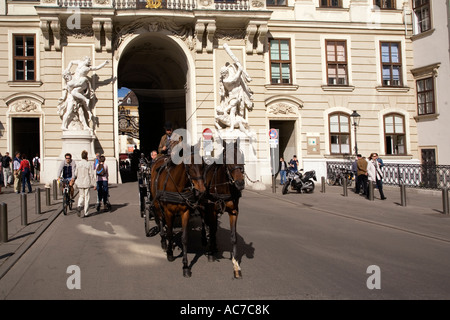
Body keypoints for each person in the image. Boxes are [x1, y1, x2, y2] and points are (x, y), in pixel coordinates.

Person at [73, 150, 95, 217]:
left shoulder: (78, 164)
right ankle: (86, 212)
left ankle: (79, 205)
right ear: (86, 157)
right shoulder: (88, 164)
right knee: (87, 197)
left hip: (80, 182)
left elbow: (75, 173)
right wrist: (94, 184)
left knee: (81, 196)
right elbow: (91, 175)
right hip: (86, 182)